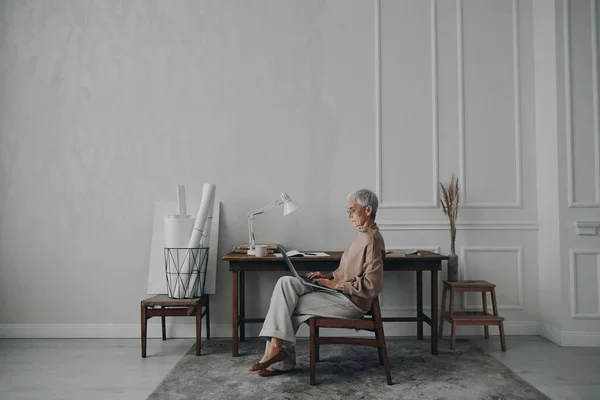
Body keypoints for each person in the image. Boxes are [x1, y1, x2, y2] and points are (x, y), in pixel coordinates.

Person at [250, 188, 386, 377]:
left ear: (368, 210)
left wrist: (336, 285)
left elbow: (373, 285)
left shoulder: (372, 240)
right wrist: (328, 276)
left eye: (352, 210)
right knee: (286, 283)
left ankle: (280, 356)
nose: (349, 215)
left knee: (288, 304)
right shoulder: (361, 234)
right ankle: (277, 348)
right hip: (338, 293)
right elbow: (349, 270)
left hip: (350, 302)